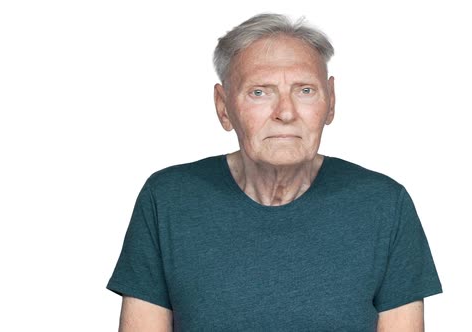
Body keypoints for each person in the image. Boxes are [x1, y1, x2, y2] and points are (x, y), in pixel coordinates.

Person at [107, 13, 442, 331]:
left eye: (305, 90)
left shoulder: (384, 204)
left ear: (331, 102)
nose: (285, 112)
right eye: (259, 92)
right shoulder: (167, 199)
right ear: (224, 108)